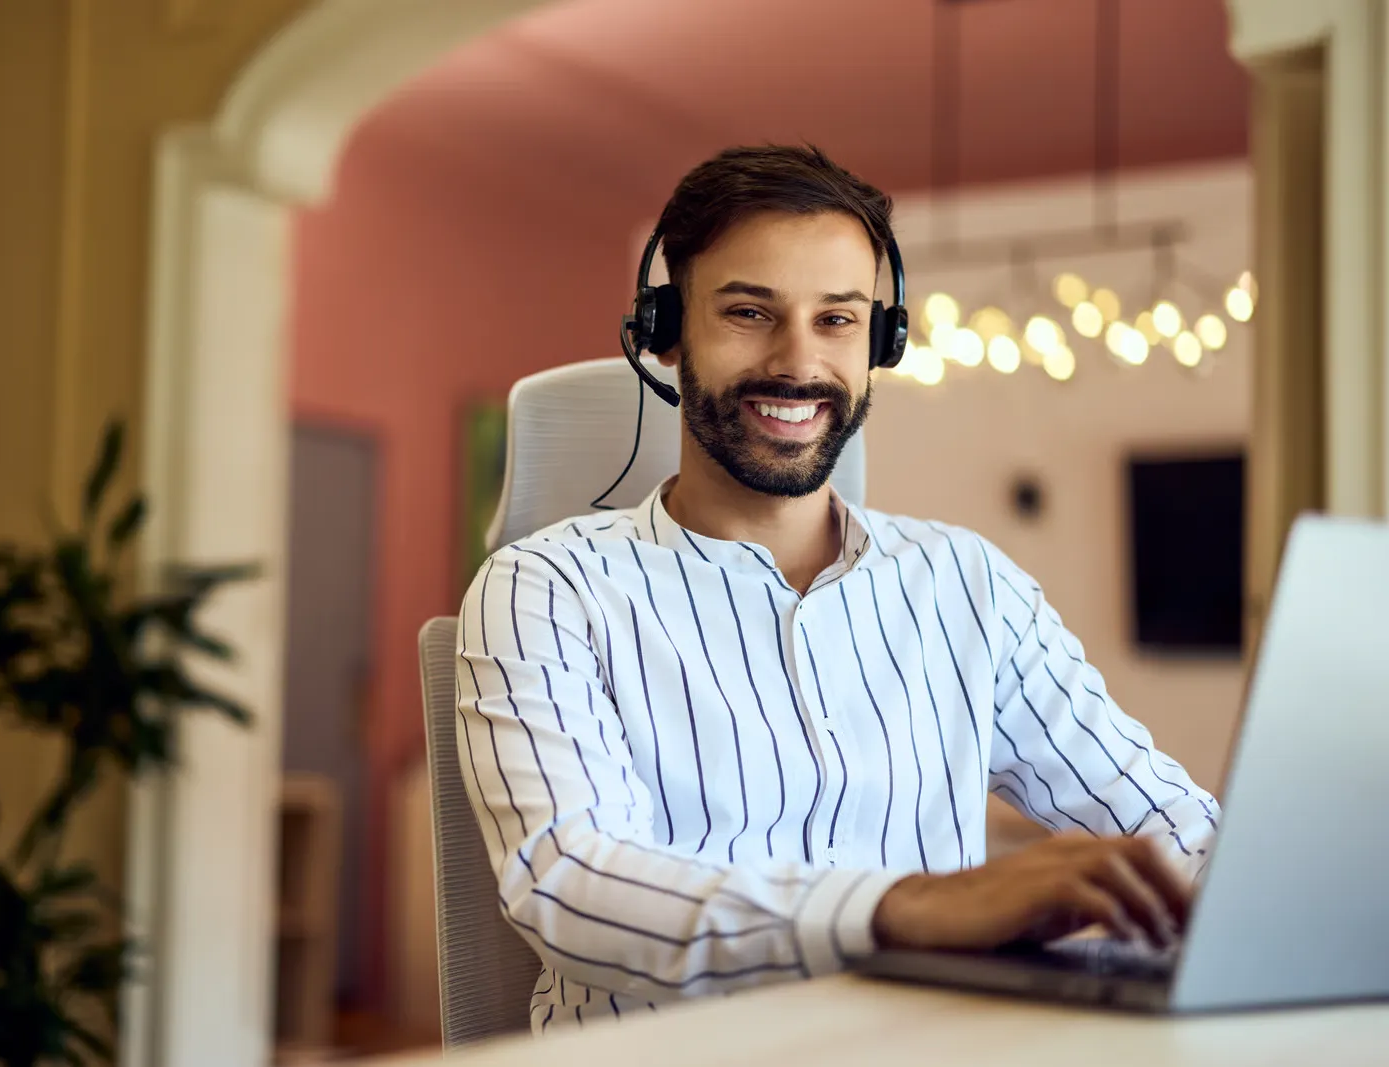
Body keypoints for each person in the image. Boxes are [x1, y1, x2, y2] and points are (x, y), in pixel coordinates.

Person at [455, 144, 1220, 1032]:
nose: (798, 361)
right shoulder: (547, 588)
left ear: (880, 342)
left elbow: (1171, 824)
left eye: (838, 320)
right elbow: (571, 883)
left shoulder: (968, 586)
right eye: (749, 311)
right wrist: (904, 909)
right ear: (665, 331)